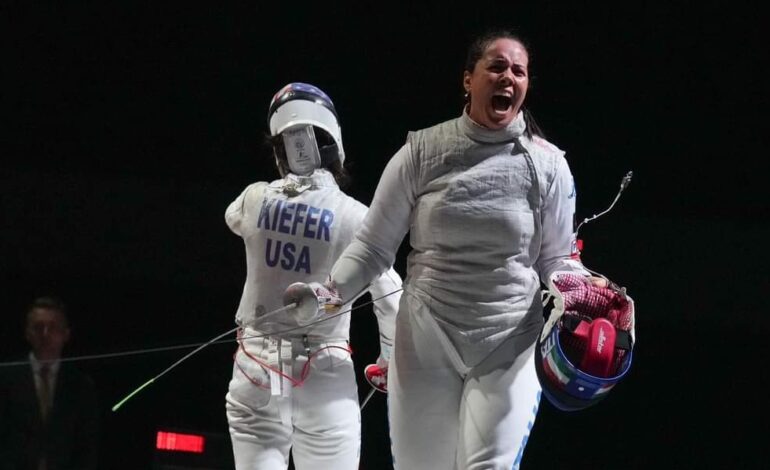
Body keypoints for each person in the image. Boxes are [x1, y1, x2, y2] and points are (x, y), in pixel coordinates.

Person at [293, 30, 614, 469]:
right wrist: (327, 297)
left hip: (509, 340)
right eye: (496, 67)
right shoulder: (421, 151)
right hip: (427, 337)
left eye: (518, 71)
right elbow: (372, 246)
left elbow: (557, 258)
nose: (508, 78)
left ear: (526, 85)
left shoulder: (548, 165)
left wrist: (582, 288)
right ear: (468, 79)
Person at [224, 82, 402, 470]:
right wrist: (387, 362)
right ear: (332, 141)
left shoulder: (253, 198)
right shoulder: (356, 216)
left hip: (254, 373)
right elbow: (391, 298)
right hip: (324, 379)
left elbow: (231, 217)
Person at [0, 296, 99, 470]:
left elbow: (86, 445)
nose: (45, 334)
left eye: (53, 328)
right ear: (27, 333)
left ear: (65, 334)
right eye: (38, 327)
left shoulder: (80, 385)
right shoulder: (6, 377)